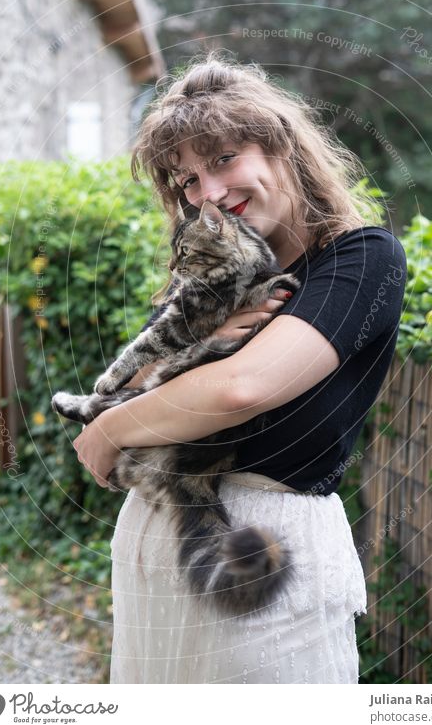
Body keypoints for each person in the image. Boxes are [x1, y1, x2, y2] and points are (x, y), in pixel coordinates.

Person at [72, 52, 407, 684]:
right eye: (187, 181)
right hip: (154, 548)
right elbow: (120, 389)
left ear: (283, 148)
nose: (210, 194)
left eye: (224, 159)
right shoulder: (209, 280)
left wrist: (111, 430)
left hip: (263, 561)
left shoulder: (361, 260)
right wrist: (151, 390)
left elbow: (239, 388)